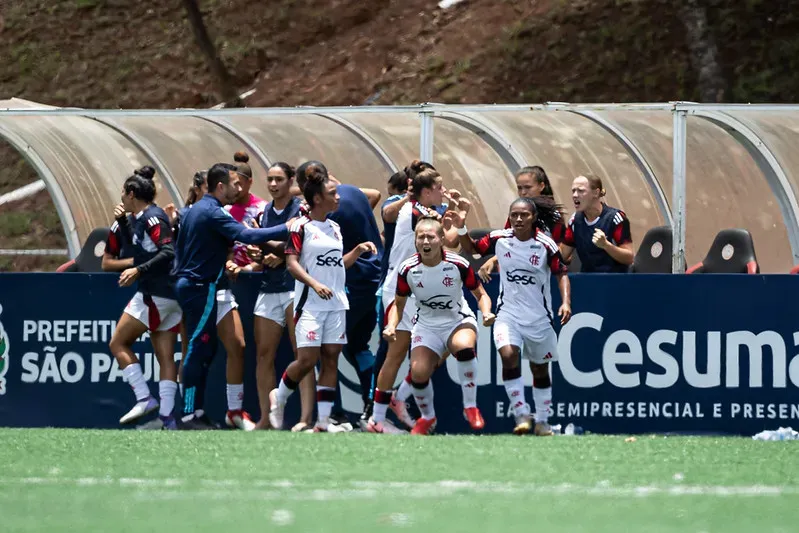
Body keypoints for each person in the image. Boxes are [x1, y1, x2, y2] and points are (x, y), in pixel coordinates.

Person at [172, 163, 292, 430]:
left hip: (203, 287)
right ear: (220, 186)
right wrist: (288, 227)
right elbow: (245, 234)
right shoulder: (211, 212)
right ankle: (189, 414)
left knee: (210, 348)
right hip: (199, 288)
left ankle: (202, 412)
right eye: (234, 184)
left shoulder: (197, 210)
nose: (239, 189)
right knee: (196, 350)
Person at [268, 162, 377, 432]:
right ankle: (279, 396)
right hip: (311, 304)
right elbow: (292, 263)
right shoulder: (299, 227)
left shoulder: (335, 228)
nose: (338, 196)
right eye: (332, 193)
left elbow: (337, 264)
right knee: (307, 360)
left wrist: (358, 251)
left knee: (331, 358)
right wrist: (314, 284)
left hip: (337, 302)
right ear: (317, 198)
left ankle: (324, 422)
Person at [452, 196, 572, 436]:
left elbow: (561, 272)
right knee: (508, 355)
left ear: (534, 218)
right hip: (508, 313)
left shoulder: (545, 245)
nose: (518, 219)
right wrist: (462, 225)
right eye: (514, 214)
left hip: (539, 317)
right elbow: (473, 249)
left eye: (524, 215)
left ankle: (543, 422)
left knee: (540, 370)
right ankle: (521, 414)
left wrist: (566, 302)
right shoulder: (500, 238)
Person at [369, 161, 470, 433]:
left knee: (447, 342)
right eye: (439, 187)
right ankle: (376, 419)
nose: (444, 190)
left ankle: (399, 398)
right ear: (426, 192)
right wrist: (459, 215)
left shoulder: (425, 211)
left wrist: (457, 216)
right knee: (396, 353)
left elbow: (451, 242)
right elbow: (449, 240)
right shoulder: (418, 212)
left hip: (422, 288)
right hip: (402, 287)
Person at [382, 217, 494, 435]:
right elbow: (398, 304)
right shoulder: (407, 269)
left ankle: (470, 407)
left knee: (463, 347)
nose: (425, 241)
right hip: (426, 326)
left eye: (430, 237)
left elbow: (481, 294)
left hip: (457, 321)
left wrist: (487, 311)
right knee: (418, 373)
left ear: (441, 239)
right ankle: (427, 417)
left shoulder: (458, 264)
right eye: (420, 237)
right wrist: (391, 325)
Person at [311, 162, 383, 428]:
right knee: (356, 347)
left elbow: (326, 259)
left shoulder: (329, 213)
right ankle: (371, 407)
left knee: (327, 349)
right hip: (374, 277)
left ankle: (333, 413)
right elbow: (375, 194)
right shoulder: (352, 191)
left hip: (353, 282)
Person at [108, 166, 180, 430]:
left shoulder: (153, 217)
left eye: (123, 194)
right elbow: (136, 250)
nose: (122, 199)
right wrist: (125, 225)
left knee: (118, 343)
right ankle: (167, 419)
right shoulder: (140, 218)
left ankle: (144, 397)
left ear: (132, 193)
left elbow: (167, 252)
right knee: (166, 357)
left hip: (156, 294)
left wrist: (138, 271)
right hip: (169, 297)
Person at [248, 162, 315, 431]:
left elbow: (302, 244)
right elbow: (270, 245)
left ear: (291, 182)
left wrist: (273, 249)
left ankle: (304, 419)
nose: (274, 184)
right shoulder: (264, 211)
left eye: (279, 179)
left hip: (293, 288)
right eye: (270, 180)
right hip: (268, 288)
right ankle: (267, 418)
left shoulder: (300, 209)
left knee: (302, 354)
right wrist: (261, 257)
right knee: (264, 355)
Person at [476, 166, 566, 282]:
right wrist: (493, 260)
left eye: (528, 187)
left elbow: (562, 251)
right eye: (520, 188)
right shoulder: (516, 214)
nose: (523, 192)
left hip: (543, 275)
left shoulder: (554, 215)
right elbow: (508, 244)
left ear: (541, 186)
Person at [561, 174, 634, 273]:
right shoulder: (575, 220)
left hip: (614, 282)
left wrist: (606, 245)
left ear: (596, 193)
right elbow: (563, 255)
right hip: (587, 281)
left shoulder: (615, 218)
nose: (575, 195)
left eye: (581, 191)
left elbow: (629, 258)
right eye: (573, 191)